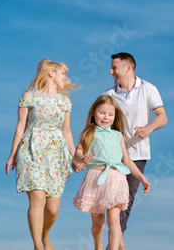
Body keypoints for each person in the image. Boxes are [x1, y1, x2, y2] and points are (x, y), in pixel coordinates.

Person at [5, 59, 80, 250]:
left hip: (56, 154)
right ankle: (37, 246)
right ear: (51, 74)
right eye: (63, 74)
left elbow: (67, 132)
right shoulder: (29, 96)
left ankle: (45, 236)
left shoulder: (65, 101)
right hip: (30, 150)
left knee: (53, 210)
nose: (66, 78)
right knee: (37, 198)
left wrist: (75, 157)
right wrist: (12, 154)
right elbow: (20, 126)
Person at [103, 52, 168, 248]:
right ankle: (114, 245)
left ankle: (115, 244)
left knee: (126, 203)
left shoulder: (148, 89)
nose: (111, 71)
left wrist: (148, 128)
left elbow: (162, 117)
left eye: (114, 68)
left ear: (128, 68)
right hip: (113, 158)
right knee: (114, 204)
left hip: (137, 156)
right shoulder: (108, 96)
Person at [73, 95, 150, 250]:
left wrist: (142, 177)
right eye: (102, 113)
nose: (106, 117)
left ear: (115, 117)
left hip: (116, 178)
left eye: (110, 114)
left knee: (114, 219)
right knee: (98, 225)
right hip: (96, 179)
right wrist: (83, 158)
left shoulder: (118, 136)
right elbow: (77, 154)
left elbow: (127, 161)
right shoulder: (88, 133)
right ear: (94, 112)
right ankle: (97, 245)